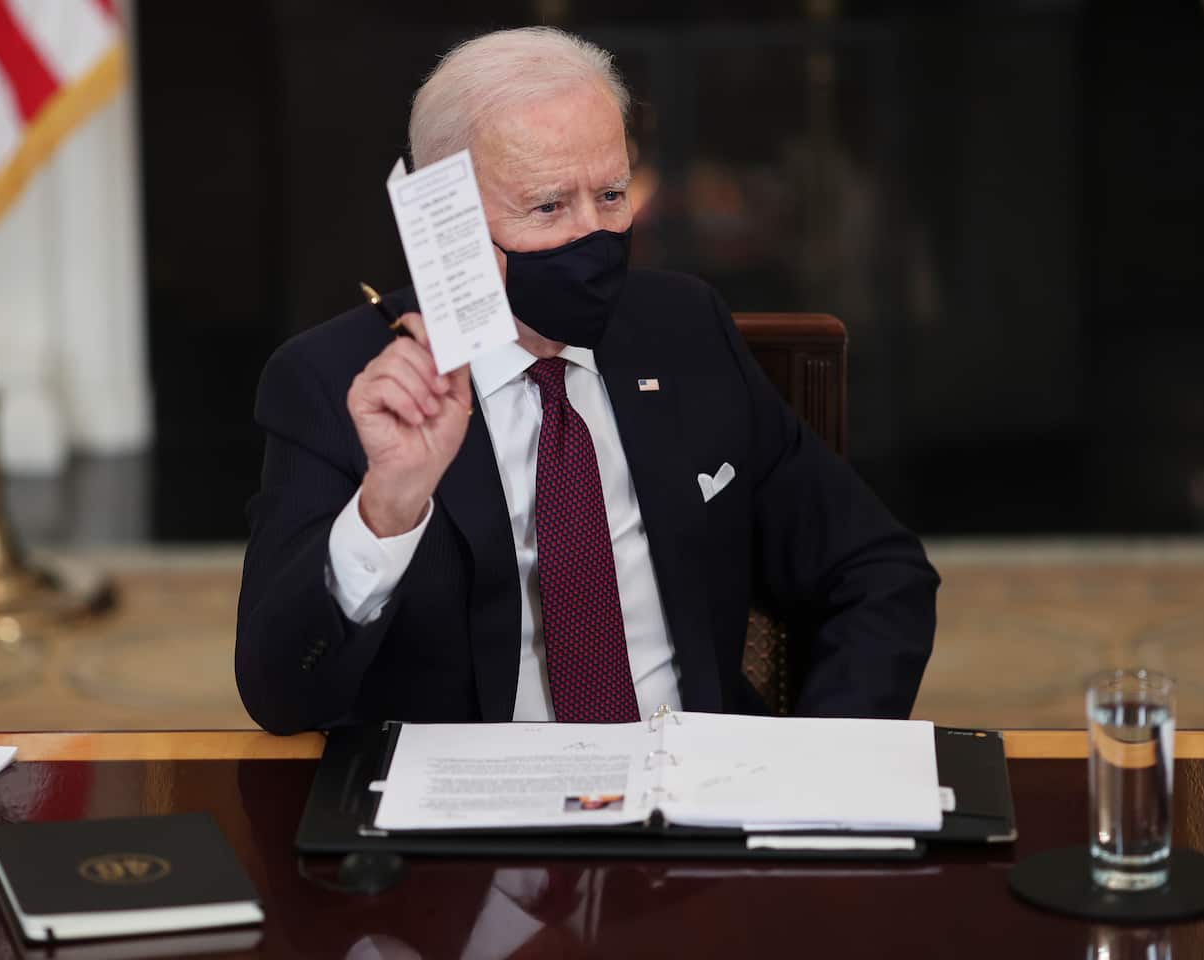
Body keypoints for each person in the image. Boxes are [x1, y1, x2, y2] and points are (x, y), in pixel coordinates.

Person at [235, 26, 937, 735]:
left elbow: (877, 570)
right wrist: (385, 511)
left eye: (611, 193)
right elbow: (279, 695)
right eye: (548, 206)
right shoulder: (336, 381)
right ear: (445, 219)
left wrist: (821, 761)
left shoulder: (684, 328)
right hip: (469, 792)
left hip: (691, 777)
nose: (593, 234)